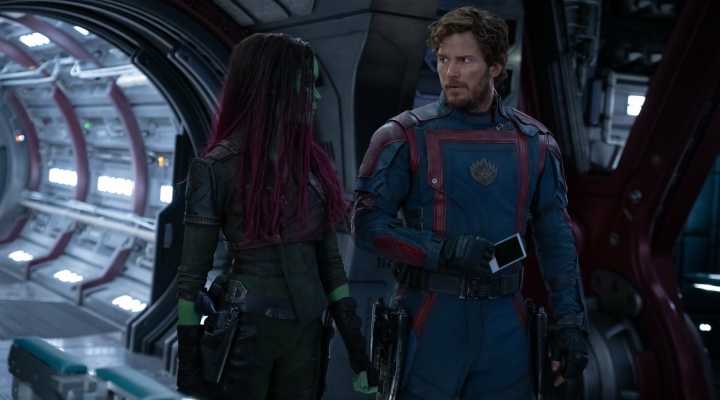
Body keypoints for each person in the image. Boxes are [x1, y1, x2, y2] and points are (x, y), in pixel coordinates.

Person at [352, 6, 589, 400]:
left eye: (465, 60)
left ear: (495, 67)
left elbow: (556, 238)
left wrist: (570, 323)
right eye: (443, 59)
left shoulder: (535, 143)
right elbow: (366, 225)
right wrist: (444, 251)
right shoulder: (402, 136)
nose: (451, 72)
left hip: (504, 325)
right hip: (429, 320)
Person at [175, 33, 376, 400]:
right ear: (273, 86)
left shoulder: (313, 169)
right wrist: (188, 362)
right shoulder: (217, 168)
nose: (316, 96)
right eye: (306, 84)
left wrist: (357, 351)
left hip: (306, 336)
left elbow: (330, 265)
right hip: (247, 337)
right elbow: (191, 279)